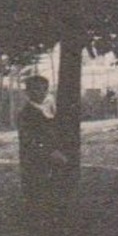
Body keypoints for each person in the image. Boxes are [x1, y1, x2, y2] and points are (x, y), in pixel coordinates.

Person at [17, 74, 68, 211]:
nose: (39, 93)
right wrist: (50, 152)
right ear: (27, 92)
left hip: (48, 159)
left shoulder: (46, 109)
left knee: (51, 191)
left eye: (43, 89)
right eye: (35, 89)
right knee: (37, 192)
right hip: (35, 159)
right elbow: (29, 140)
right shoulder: (26, 113)